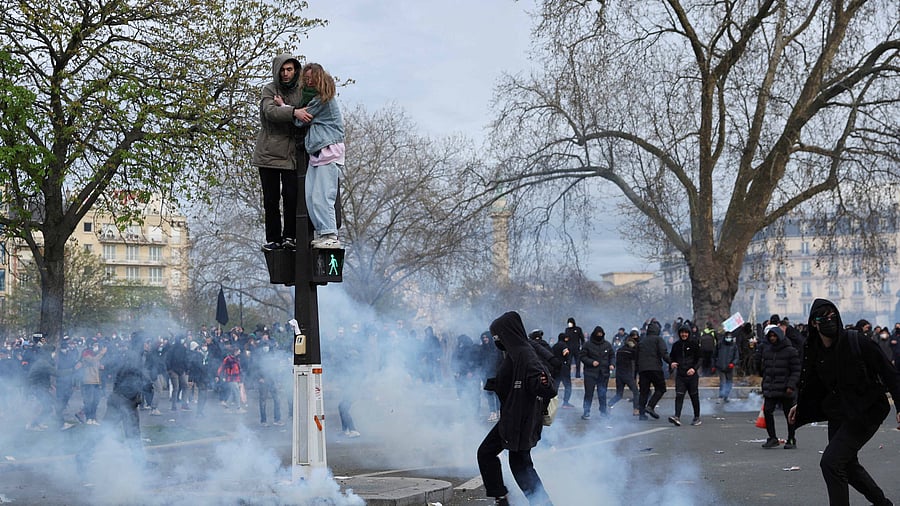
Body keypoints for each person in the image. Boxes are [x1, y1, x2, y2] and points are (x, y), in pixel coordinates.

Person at [789, 299, 900, 506]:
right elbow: (813, 383)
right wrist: (800, 405)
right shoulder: (813, 348)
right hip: (840, 412)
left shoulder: (856, 341)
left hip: (866, 410)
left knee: (831, 463)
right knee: (846, 465)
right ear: (814, 323)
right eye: (824, 318)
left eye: (833, 316)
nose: (830, 321)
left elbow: (889, 372)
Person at [477, 311, 555, 506]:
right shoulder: (516, 352)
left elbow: (545, 385)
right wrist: (496, 384)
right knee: (520, 464)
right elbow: (515, 381)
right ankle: (540, 502)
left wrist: (543, 383)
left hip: (519, 419)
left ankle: (503, 499)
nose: (496, 340)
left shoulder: (524, 353)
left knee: (488, 453)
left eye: (498, 335)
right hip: (517, 416)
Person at [252, 53, 305, 251]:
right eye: (282, 70)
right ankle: (274, 238)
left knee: (292, 197)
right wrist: (293, 112)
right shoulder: (269, 89)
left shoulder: (302, 90)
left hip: (291, 154)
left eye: (289, 69)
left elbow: (308, 111)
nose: (285, 73)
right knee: (271, 200)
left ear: (295, 70)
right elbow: (270, 112)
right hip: (268, 154)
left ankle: (290, 236)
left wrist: (289, 109)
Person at [291, 62, 345, 249]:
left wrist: (285, 108)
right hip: (317, 152)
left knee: (323, 195)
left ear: (319, 78)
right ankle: (323, 232)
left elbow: (301, 120)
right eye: (305, 79)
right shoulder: (314, 99)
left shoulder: (323, 100)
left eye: (311, 78)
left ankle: (330, 234)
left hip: (328, 150)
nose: (308, 82)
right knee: (311, 196)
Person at [757, 326, 800, 448]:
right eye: (770, 336)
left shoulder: (790, 351)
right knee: (767, 411)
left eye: (774, 336)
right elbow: (764, 369)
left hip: (785, 388)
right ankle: (772, 437)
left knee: (789, 415)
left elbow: (796, 371)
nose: (772, 338)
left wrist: (791, 385)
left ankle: (791, 438)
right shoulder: (767, 351)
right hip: (771, 387)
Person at [668, 324, 702, 426]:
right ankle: (677, 416)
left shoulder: (694, 344)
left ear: (689, 333)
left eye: (686, 332)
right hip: (680, 375)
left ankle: (697, 417)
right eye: (682, 332)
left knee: (694, 396)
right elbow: (671, 357)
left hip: (692, 375)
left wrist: (694, 369)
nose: (684, 334)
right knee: (679, 395)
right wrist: (672, 363)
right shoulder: (676, 345)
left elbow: (700, 359)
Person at [636, 319, 670, 420]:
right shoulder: (658, 339)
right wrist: (671, 362)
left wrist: (638, 370)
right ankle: (650, 406)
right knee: (661, 388)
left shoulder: (641, 341)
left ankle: (642, 414)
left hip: (643, 370)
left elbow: (636, 356)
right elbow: (663, 353)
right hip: (655, 368)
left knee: (644, 392)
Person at [580, 326, 614, 420]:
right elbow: (582, 356)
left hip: (603, 373)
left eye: (601, 334)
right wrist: (591, 362)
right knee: (589, 393)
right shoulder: (587, 345)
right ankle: (586, 411)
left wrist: (612, 364)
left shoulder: (607, 345)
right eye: (598, 334)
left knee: (602, 393)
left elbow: (612, 355)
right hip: (590, 373)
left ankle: (603, 411)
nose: (599, 336)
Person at [608, 328, 639, 416]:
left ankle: (609, 404)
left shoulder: (619, 351)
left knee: (619, 394)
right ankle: (636, 409)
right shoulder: (631, 351)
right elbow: (635, 362)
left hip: (619, 375)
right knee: (636, 392)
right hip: (627, 375)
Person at [712, 330, 740, 403]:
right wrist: (714, 365)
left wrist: (733, 363)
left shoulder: (734, 346)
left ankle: (726, 396)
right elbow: (714, 355)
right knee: (722, 382)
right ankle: (721, 396)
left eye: (730, 337)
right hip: (720, 366)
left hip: (729, 367)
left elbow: (736, 357)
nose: (728, 338)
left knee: (729, 382)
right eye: (727, 337)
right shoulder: (720, 344)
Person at [550, 332, 574, 408]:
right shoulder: (564, 346)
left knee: (555, 386)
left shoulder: (554, 346)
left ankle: (552, 403)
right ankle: (565, 403)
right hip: (564, 369)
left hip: (555, 368)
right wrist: (568, 364)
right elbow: (566, 355)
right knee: (568, 386)